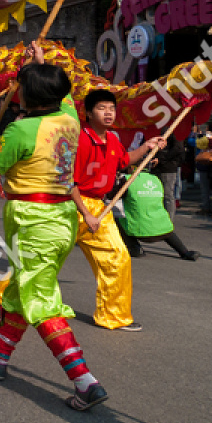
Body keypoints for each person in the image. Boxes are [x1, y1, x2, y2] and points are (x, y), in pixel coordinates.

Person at [0, 43, 110, 412]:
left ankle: (84, 381)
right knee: (23, 289)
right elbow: (62, 99)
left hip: (33, 221)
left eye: (21, 86)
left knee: (40, 301)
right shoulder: (70, 120)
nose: (17, 91)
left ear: (30, 94)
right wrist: (41, 66)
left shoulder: (21, 130)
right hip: (61, 220)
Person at [68, 89, 163, 331]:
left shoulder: (112, 139)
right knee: (41, 260)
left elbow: (123, 160)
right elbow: (67, 181)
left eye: (111, 108)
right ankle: (8, 304)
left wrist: (148, 146)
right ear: (88, 113)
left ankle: (113, 315)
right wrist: (85, 213)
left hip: (100, 206)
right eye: (102, 108)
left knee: (118, 257)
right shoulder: (78, 139)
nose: (109, 113)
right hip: (68, 205)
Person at [118, 163, 200, 261]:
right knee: (165, 227)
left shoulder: (127, 180)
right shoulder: (156, 179)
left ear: (131, 167)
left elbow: (111, 196)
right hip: (163, 229)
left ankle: (135, 247)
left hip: (140, 231)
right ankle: (184, 252)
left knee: (117, 218)